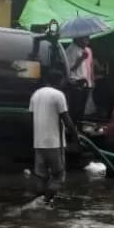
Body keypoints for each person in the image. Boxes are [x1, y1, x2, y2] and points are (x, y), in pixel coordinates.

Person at [28, 69, 78, 201]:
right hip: (54, 143)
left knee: (41, 176)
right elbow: (66, 118)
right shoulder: (58, 95)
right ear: (59, 81)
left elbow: (31, 117)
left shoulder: (35, 94)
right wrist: (75, 135)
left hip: (38, 143)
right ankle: (47, 201)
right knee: (58, 176)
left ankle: (38, 203)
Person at [64, 37, 91, 120]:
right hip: (75, 82)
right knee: (75, 109)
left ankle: (78, 127)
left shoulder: (80, 49)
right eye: (85, 39)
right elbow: (70, 68)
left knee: (80, 110)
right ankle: (73, 128)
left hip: (82, 82)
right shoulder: (71, 49)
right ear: (78, 38)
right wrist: (82, 58)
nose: (87, 42)